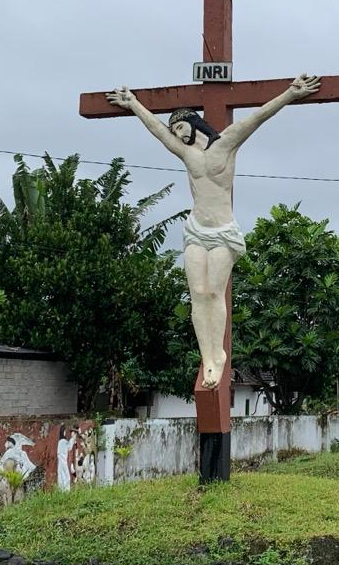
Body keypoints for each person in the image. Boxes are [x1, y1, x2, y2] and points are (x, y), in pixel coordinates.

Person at [107, 74, 320, 389]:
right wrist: (134, 104)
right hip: (196, 230)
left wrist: (291, 94)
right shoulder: (187, 154)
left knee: (213, 293)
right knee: (197, 294)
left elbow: (257, 117)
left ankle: (218, 354)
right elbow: (157, 131)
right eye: (175, 131)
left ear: (195, 123)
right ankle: (207, 356)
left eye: (181, 127)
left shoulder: (227, 143)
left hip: (222, 232)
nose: (178, 134)